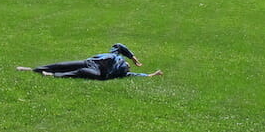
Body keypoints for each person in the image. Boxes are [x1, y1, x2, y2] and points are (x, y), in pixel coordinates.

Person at [17, 43, 161, 79]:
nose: (130, 66)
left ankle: (53, 75)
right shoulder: (117, 55)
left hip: (98, 72)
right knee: (60, 65)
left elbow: (139, 76)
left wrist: (152, 75)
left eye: (130, 66)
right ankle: (32, 69)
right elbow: (119, 45)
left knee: (81, 72)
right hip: (92, 62)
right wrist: (134, 58)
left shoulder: (123, 72)